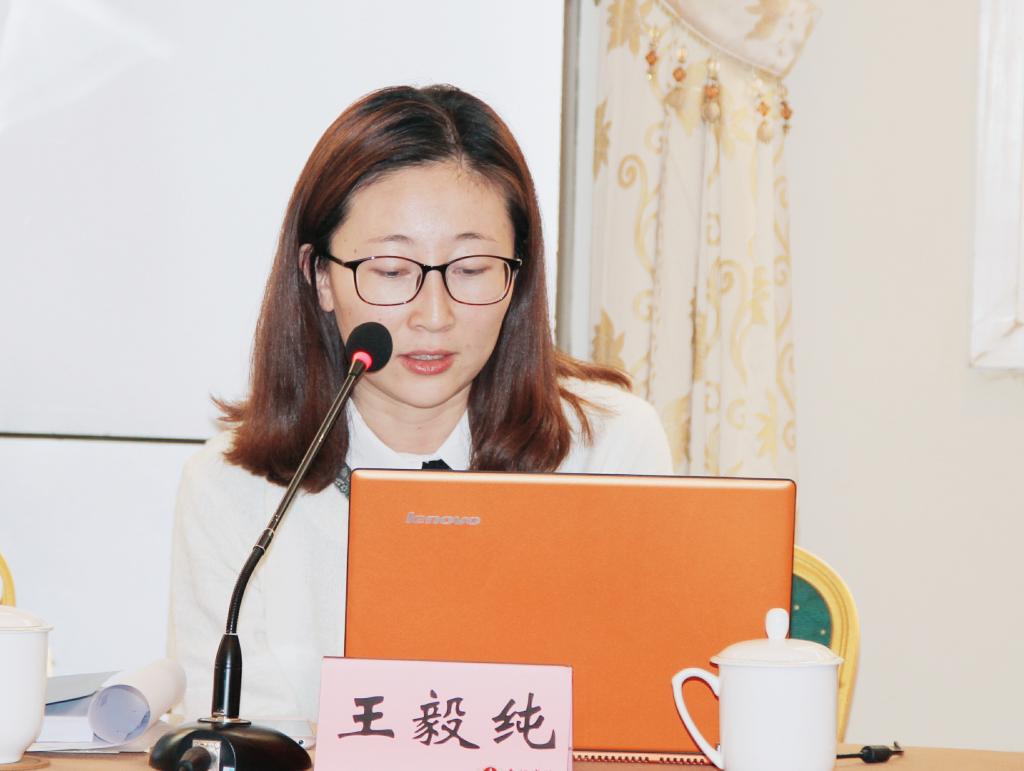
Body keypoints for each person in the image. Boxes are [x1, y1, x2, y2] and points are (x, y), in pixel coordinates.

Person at [167, 84, 673, 723]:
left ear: (517, 278)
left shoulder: (609, 449)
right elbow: (238, 735)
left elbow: (640, 706)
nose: (433, 316)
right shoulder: (230, 487)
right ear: (320, 277)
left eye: (471, 269)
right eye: (390, 270)